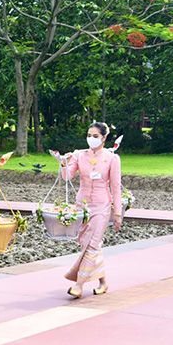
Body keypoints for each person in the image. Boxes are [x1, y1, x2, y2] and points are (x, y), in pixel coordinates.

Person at [60, 121, 122, 298]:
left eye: (95, 136)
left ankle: (78, 285)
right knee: (87, 243)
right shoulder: (80, 155)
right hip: (82, 204)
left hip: (102, 205)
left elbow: (116, 187)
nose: (91, 139)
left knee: (93, 243)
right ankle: (103, 281)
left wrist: (117, 212)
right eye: (89, 136)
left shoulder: (112, 158)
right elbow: (67, 177)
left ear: (104, 137)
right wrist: (65, 163)